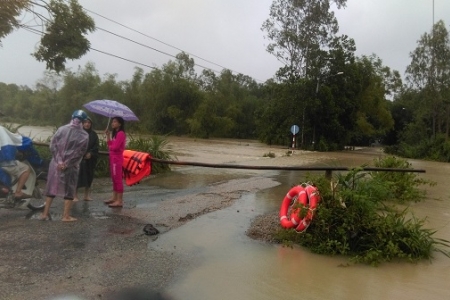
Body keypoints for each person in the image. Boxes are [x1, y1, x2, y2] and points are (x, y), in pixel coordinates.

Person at [40, 110, 89, 222]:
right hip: (71, 166)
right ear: (83, 121)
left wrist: (59, 161)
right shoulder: (84, 135)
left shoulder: (61, 129)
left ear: (72, 117)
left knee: (51, 186)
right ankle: (65, 216)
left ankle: (45, 213)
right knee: (69, 189)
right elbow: (79, 152)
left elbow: (53, 146)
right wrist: (67, 163)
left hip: (56, 164)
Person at [0, 125, 34, 200]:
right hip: (4, 163)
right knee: (25, 168)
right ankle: (18, 192)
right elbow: (17, 139)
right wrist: (27, 141)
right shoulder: (1, 129)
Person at [74, 117, 99, 202]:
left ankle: (86, 195)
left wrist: (91, 153)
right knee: (77, 176)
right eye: (85, 122)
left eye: (89, 122)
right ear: (82, 123)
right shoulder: (78, 133)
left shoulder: (94, 135)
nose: (87, 124)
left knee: (89, 176)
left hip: (90, 159)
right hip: (79, 158)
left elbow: (96, 147)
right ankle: (75, 195)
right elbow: (75, 145)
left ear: (91, 124)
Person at [103, 116, 126, 208]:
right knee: (114, 178)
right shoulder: (115, 134)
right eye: (112, 122)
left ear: (120, 123)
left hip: (117, 159)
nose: (113, 123)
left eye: (115, 122)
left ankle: (119, 200)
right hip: (113, 158)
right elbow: (110, 144)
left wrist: (110, 147)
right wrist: (108, 136)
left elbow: (115, 147)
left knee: (118, 179)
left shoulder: (121, 134)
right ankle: (114, 197)